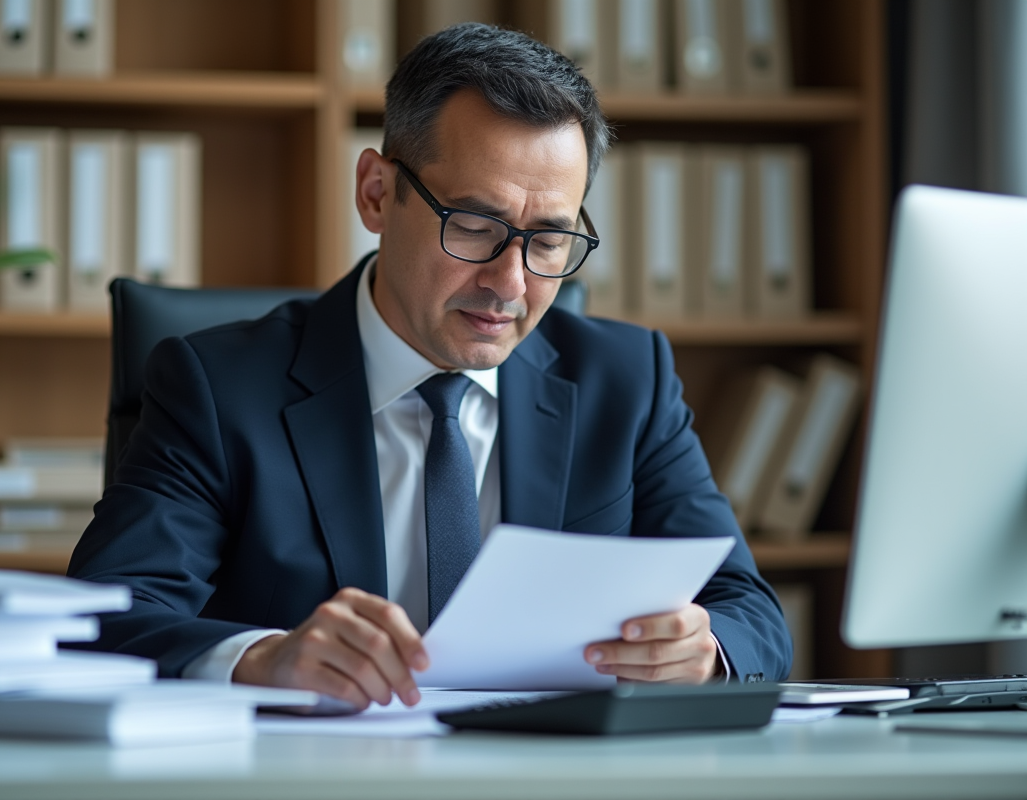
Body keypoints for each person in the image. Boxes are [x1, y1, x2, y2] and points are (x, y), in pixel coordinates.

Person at [69, 23, 791, 709]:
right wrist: (262, 659)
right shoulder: (218, 386)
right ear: (377, 193)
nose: (510, 284)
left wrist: (703, 649)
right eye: (475, 227)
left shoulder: (627, 380)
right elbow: (110, 615)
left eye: (548, 242)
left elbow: (748, 611)